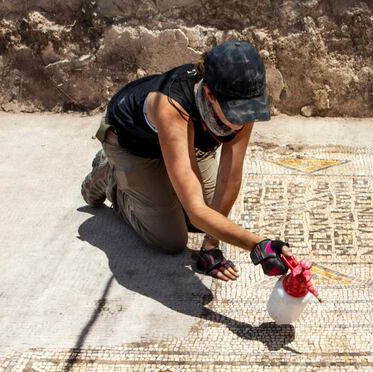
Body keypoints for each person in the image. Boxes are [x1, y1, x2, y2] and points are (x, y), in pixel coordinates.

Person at [81, 40, 291, 281]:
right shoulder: (172, 106)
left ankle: (160, 182)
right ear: (210, 94)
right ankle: (110, 175)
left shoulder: (242, 95)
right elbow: (195, 210)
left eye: (251, 109)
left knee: (211, 220)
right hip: (133, 144)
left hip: (185, 144)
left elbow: (230, 177)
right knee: (170, 240)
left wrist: (211, 245)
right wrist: (258, 244)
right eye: (237, 111)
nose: (245, 119)